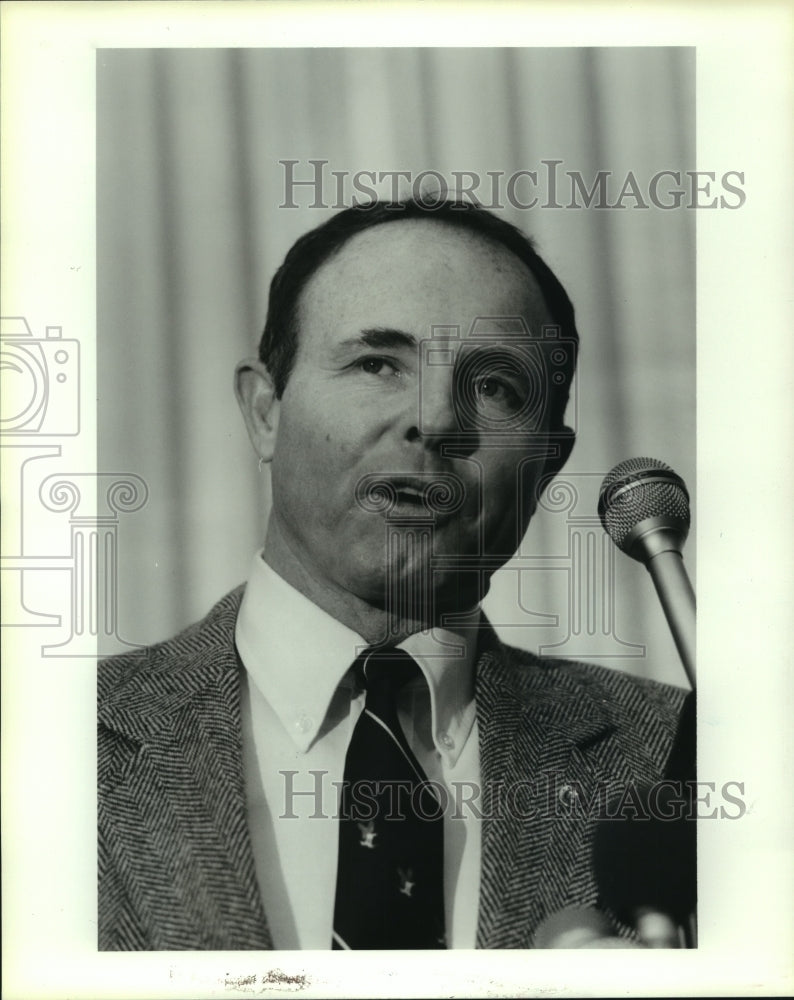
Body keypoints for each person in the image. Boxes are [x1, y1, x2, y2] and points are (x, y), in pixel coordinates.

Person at [98, 199, 688, 951]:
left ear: (548, 462)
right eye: (379, 363)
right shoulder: (44, 742)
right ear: (264, 411)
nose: (437, 419)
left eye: (497, 386)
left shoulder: (684, 761)